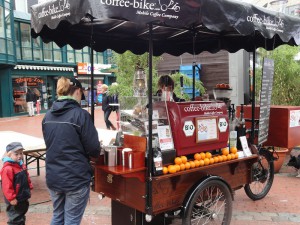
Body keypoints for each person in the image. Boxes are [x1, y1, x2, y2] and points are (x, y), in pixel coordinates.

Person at [42, 77, 101, 225]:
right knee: (72, 221)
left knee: (57, 217)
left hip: (54, 176)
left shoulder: (47, 116)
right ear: (78, 92)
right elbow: (94, 149)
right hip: (75, 178)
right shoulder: (81, 115)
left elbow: (52, 143)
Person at [1, 142, 33, 225]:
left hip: (22, 197)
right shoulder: (8, 168)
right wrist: (11, 198)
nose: (19, 156)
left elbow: (27, 177)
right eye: (16, 154)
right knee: (15, 219)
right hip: (15, 199)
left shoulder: (21, 165)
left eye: (21, 153)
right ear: (9, 155)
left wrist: (29, 187)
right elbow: (6, 186)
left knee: (21, 216)